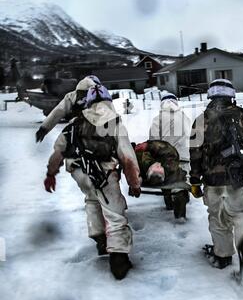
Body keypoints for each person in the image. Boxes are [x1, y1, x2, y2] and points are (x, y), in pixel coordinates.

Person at [43, 84, 141, 280]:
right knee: (114, 214)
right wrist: (134, 183)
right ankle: (118, 260)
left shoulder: (75, 124)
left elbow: (58, 151)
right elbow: (128, 158)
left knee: (92, 200)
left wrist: (51, 174)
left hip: (80, 174)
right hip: (104, 174)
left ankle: (99, 238)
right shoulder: (114, 123)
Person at [189, 79, 243, 276]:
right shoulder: (241, 115)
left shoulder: (201, 120)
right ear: (231, 94)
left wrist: (195, 180)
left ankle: (222, 256)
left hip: (212, 181)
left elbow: (195, 153)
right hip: (238, 177)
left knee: (217, 218)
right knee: (240, 214)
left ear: (211, 95)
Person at [36, 75, 116, 142]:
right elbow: (112, 114)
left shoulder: (72, 95)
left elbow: (58, 112)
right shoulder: (101, 94)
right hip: (100, 130)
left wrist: (44, 128)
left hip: (77, 130)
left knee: (63, 152)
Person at [149, 92, 191, 218]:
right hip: (184, 158)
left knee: (166, 182)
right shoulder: (185, 117)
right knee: (180, 183)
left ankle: (169, 202)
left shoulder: (158, 119)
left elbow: (153, 141)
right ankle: (180, 213)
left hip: (166, 159)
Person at [133, 140, 189, 219]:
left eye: (157, 168)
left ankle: (180, 218)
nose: (158, 166)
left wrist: (148, 146)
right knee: (175, 191)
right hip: (167, 169)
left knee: (179, 193)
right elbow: (168, 150)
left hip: (169, 175)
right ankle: (173, 206)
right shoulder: (170, 164)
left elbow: (166, 149)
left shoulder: (170, 166)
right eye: (158, 169)